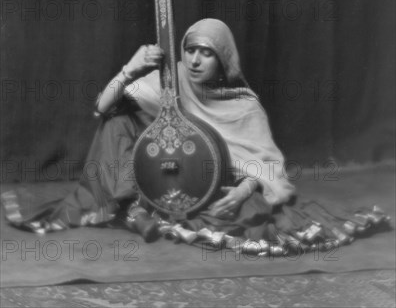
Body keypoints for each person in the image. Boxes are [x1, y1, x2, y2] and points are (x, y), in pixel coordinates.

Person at [2, 19, 390, 254]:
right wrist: (130, 68)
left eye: (206, 53)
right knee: (120, 122)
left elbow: (265, 164)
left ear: (223, 59)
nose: (194, 60)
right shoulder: (173, 81)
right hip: (160, 172)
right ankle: (134, 204)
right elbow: (102, 108)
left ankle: (146, 208)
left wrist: (243, 189)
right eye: (189, 50)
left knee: (248, 213)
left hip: (208, 179)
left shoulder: (243, 105)